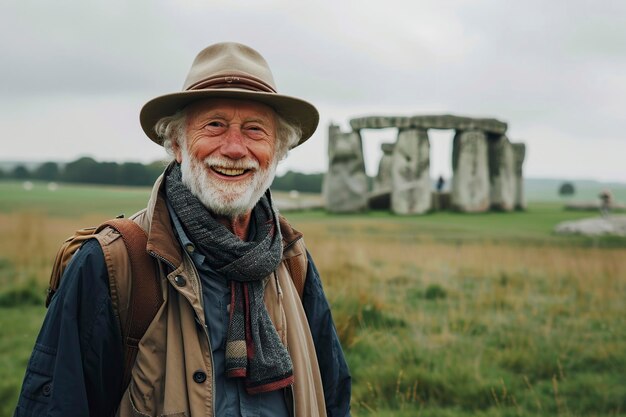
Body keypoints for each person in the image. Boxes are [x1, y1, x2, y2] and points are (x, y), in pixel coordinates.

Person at [14, 42, 351, 417]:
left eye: (255, 130)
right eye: (214, 125)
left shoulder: (292, 260)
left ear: (278, 150)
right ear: (176, 143)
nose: (235, 148)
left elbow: (333, 397)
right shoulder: (110, 265)